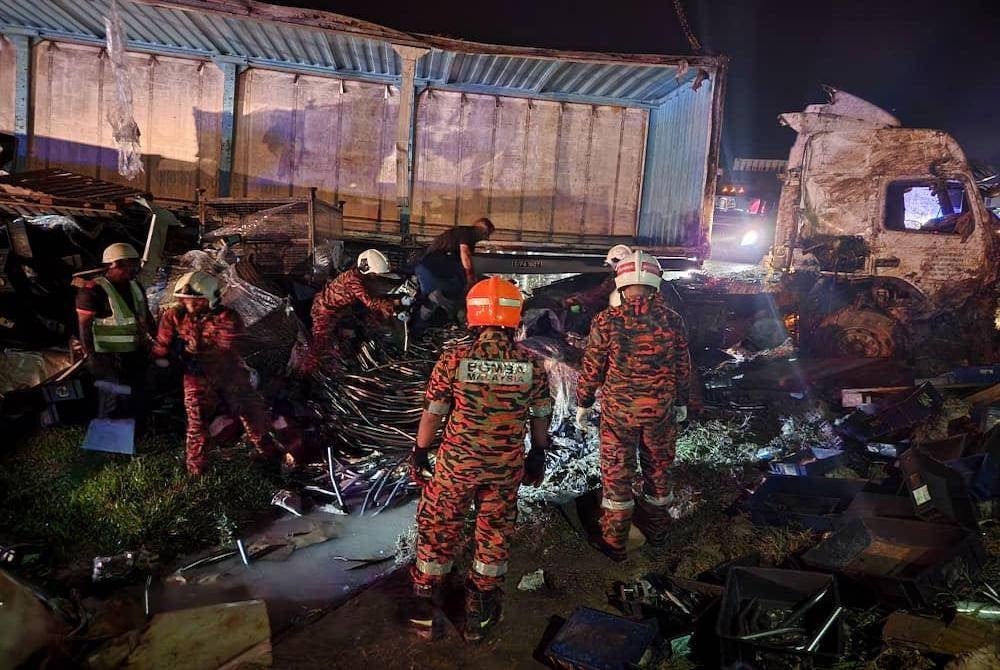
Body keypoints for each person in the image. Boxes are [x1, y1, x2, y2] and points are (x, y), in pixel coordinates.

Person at [408, 276, 552, 642]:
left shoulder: (455, 359)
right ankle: (479, 612)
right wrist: (537, 453)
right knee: (494, 533)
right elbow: (540, 414)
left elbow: (434, 413)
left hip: (456, 466)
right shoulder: (531, 363)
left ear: (473, 317)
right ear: (515, 318)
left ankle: (427, 607)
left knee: (439, 527)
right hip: (504, 469)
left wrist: (420, 451)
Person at [575, 250, 692, 561]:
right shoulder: (673, 321)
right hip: (660, 413)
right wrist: (682, 401)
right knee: (659, 472)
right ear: (656, 283)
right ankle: (658, 534)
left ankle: (615, 543)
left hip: (619, 415)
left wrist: (583, 402)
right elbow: (683, 367)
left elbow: (592, 369)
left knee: (617, 475)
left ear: (621, 283)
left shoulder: (606, 321)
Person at [152, 271, 280, 475]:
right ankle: (197, 471)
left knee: (253, 416)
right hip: (196, 378)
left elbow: (228, 346)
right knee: (196, 425)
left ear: (209, 297)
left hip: (230, 375)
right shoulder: (174, 316)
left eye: (195, 300)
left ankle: (270, 458)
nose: (189, 303)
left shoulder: (227, 316)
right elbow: (161, 346)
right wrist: (166, 359)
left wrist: (194, 351)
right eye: (185, 299)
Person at [75, 242, 153, 419]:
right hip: (107, 357)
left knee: (136, 394)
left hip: (135, 353)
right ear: (113, 265)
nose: (135, 270)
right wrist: (92, 357)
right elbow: (84, 328)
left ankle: (137, 425)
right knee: (113, 398)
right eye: (130, 266)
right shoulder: (93, 291)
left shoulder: (135, 287)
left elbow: (146, 317)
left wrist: (155, 342)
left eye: (136, 265)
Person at [302, 249, 409, 375]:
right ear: (367, 271)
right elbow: (370, 302)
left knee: (359, 326)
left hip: (338, 309)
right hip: (324, 311)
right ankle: (304, 372)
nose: (376, 276)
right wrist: (395, 303)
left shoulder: (356, 274)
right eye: (375, 274)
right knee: (319, 343)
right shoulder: (354, 281)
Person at [411, 217, 495, 327]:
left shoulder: (458, 234)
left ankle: (424, 319)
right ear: (482, 229)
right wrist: (469, 274)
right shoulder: (467, 233)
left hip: (429, 268)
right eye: (487, 234)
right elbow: (465, 253)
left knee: (432, 298)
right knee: (457, 289)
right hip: (436, 268)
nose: (486, 238)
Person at [563, 244, 633, 333]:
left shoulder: (619, 278)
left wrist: (578, 299)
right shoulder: (625, 275)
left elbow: (601, 292)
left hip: (620, 315)